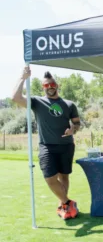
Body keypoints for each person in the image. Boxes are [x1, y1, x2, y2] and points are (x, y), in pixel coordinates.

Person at [12, 66, 80, 220]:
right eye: (46, 85)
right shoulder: (37, 102)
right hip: (47, 146)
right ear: (43, 87)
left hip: (67, 146)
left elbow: (77, 123)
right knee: (49, 177)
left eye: (52, 84)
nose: (49, 87)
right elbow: (15, 98)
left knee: (64, 176)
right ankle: (68, 203)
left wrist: (73, 130)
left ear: (57, 85)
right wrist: (22, 78)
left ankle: (63, 205)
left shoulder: (69, 104)